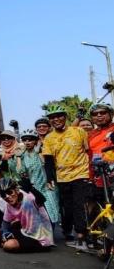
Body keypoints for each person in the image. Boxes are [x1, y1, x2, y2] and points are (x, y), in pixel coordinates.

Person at [42, 105, 90, 251]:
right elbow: (49, 161)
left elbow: (88, 151)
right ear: (50, 121)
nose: (56, 119)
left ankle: (81, 236)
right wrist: (50, 178)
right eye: (52, 117)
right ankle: (67, 231)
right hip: (62, 177)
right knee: (67, 208)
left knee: (79, 205)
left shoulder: (79, 131)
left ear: (65, 117)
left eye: (59, 116)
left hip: (81, 174)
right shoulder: (49, 138)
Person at [0, 178, 54, 253]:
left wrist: (32, 189)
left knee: (9, 245)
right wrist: (5, 232)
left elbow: (41, 200)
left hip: (40, 240)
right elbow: (5, 222)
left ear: (16, 190)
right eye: (3, 195)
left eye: (9, 192)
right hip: (25, 232)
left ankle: (4, 243)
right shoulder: (9, 205)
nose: (7, 196)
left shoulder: (30, 197)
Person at [16, 129, 60, 225]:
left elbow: (46, 164)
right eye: (25, 140)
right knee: (37, 214)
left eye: (30, 140)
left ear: (35, 140)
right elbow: (20, 172)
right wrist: (18, 157)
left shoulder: (41, 151)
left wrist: (39, 152)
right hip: (34, 188)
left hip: (46, 186)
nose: (27, 142)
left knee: (51, 212)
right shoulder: (23, 155)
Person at [87, 103, 114, 204]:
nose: (99, 116)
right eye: (95, 114)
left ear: (111, 114)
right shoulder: (90, 135)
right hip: (98, 179)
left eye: (102, 112)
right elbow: (88, 157)